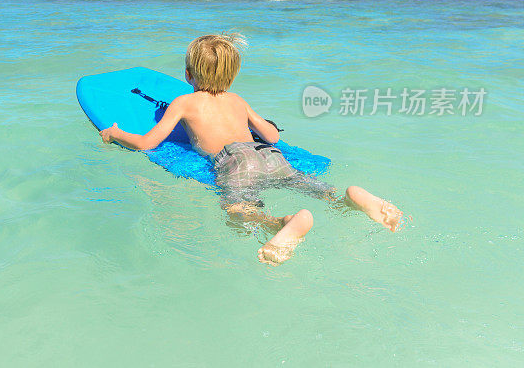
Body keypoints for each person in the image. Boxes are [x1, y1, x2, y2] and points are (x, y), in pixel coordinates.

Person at [99, 33, 402, 265]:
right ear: (232, 75)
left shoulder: (184, 102)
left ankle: (280, 224)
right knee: (305, 184)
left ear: (189, 75)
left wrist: (115, 134)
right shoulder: (237, 100)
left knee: (236, 212)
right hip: (269, 156)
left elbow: (148, 142)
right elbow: (271, 136)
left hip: (235, 162)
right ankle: (346, 198)